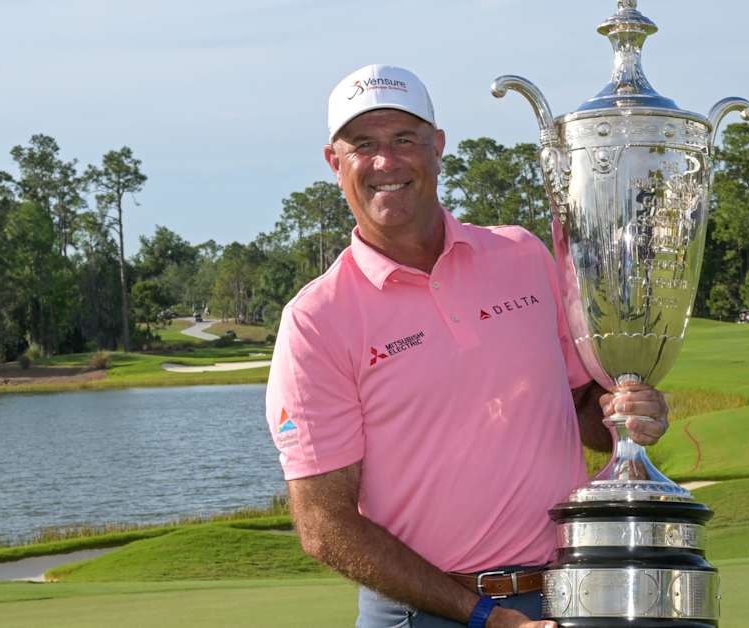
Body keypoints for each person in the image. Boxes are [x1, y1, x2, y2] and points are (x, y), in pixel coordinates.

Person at [265, 64, 670, 628]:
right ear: (336, 163)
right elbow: (323, 524)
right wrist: (484, 616)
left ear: (437, 147)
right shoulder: (317, 320)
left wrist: (627, 415)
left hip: (568, 595)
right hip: (423, 614)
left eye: (405, 139)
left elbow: (584, 408)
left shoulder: (523, 258)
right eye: (364, 145)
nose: (386, 161)